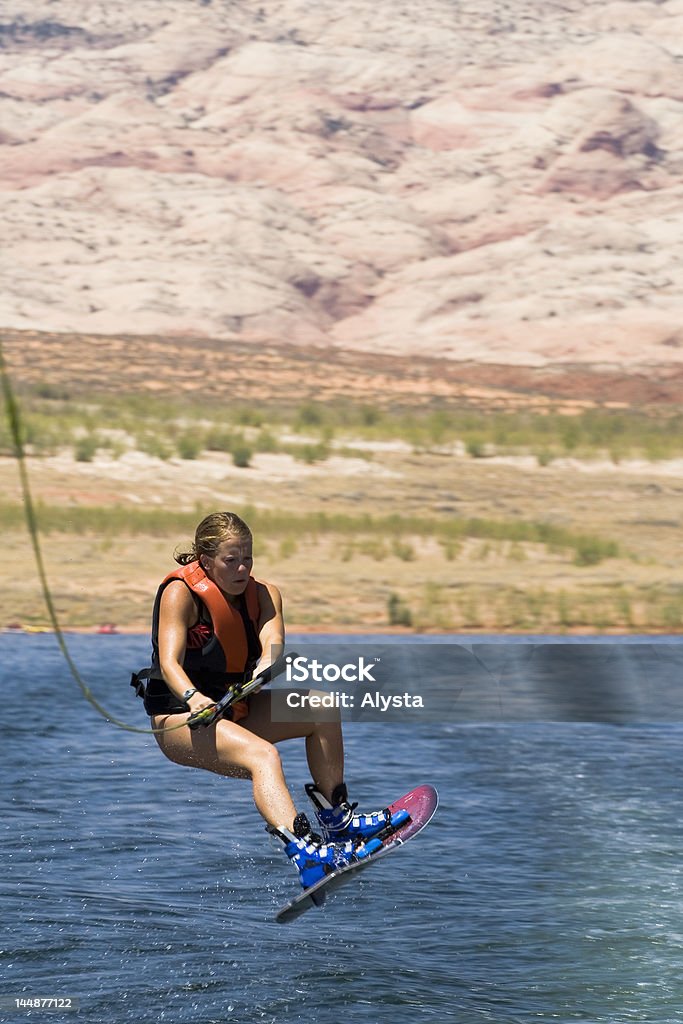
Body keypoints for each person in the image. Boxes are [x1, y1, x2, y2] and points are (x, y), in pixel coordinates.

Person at [133, 511, 407, 890]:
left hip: (235, 709)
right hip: (181, 720)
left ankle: (338, 825)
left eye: (248, 557)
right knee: (264, 755)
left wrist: (265, 668)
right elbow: (168, 662)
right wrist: (195, 699)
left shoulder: (264, 595)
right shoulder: (181, 594)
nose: (242, 567)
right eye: (231, 560)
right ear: (205, 559)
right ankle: (306, 855)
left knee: (322, 707)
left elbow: (272, 648)